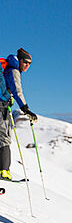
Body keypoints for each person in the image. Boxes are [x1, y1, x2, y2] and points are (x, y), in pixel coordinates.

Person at [0, 48, 38, 181]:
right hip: (1, 107)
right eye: (26, 62)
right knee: (4, 138)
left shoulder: (8, 69)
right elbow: (17, 91)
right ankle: (3, 171)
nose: (27, 65)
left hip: (3, 104)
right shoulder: (14, 70)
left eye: (30, 63)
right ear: (20, 60)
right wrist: (26, 109)